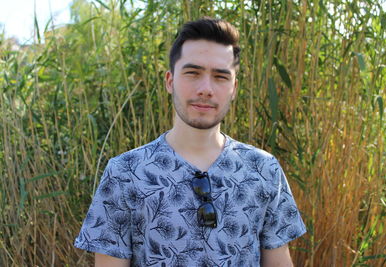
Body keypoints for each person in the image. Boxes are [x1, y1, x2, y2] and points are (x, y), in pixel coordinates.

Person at [74, 17, 306, 267]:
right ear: (170, 81)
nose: (206, 89)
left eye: (220, 77)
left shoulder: (263, 169)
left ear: (234, 88)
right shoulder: (125, 173)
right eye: (193, 73)